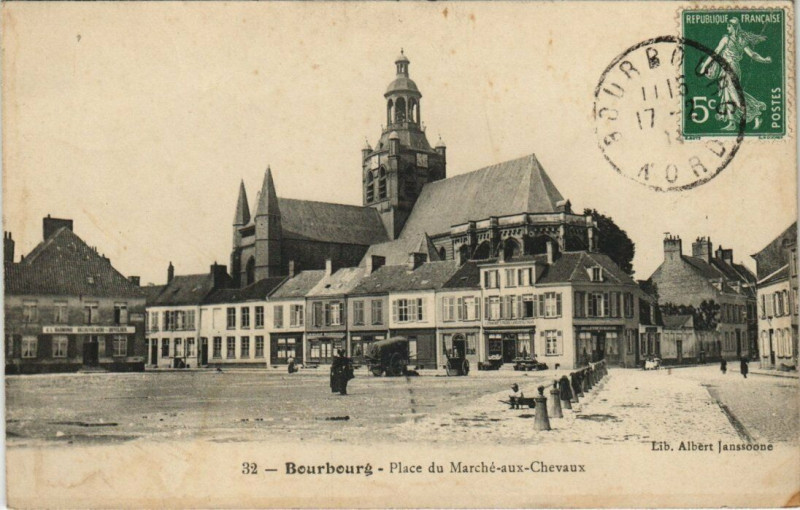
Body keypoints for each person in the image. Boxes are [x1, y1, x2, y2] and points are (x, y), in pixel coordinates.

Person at [698, 18, 772, 131]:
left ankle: (756, 114)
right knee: (727, 94)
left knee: (735, 97)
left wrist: (704, 66)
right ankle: (731, 122)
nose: (727, 28)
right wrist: (764, 60)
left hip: (730, 68)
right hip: (731, 68)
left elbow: (715, 53)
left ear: (733, 27)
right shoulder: (742, 40)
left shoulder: (726, 39)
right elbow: (752, 55)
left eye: (728, 26)